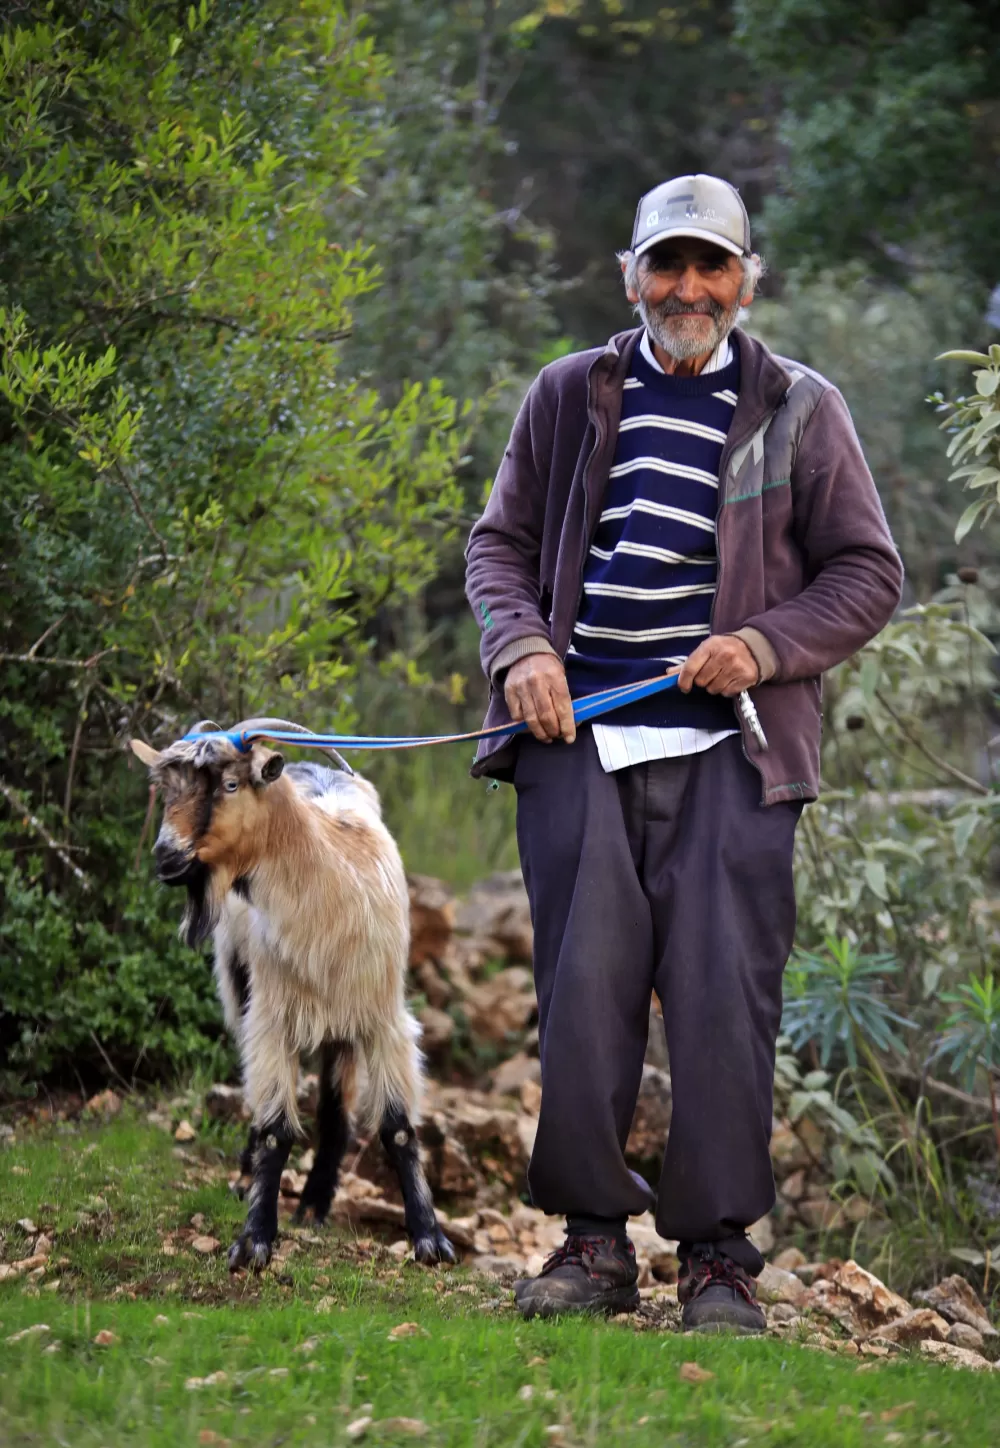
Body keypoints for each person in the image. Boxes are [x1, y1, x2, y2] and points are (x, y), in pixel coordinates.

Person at [464, 174, 903, 1332]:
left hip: (733, 749)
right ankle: (593, 1245)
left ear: (747, 281)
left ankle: (717, 1260)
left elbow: (866, 574)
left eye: (713, 266)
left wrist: (760, 644)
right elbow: (497, 544)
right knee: (583, 990)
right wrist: (521, 652)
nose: (690, 287)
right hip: (576, 734)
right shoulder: (569, 394)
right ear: (631, 276)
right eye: (669, 264)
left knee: (721, 996)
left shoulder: (802, 408)